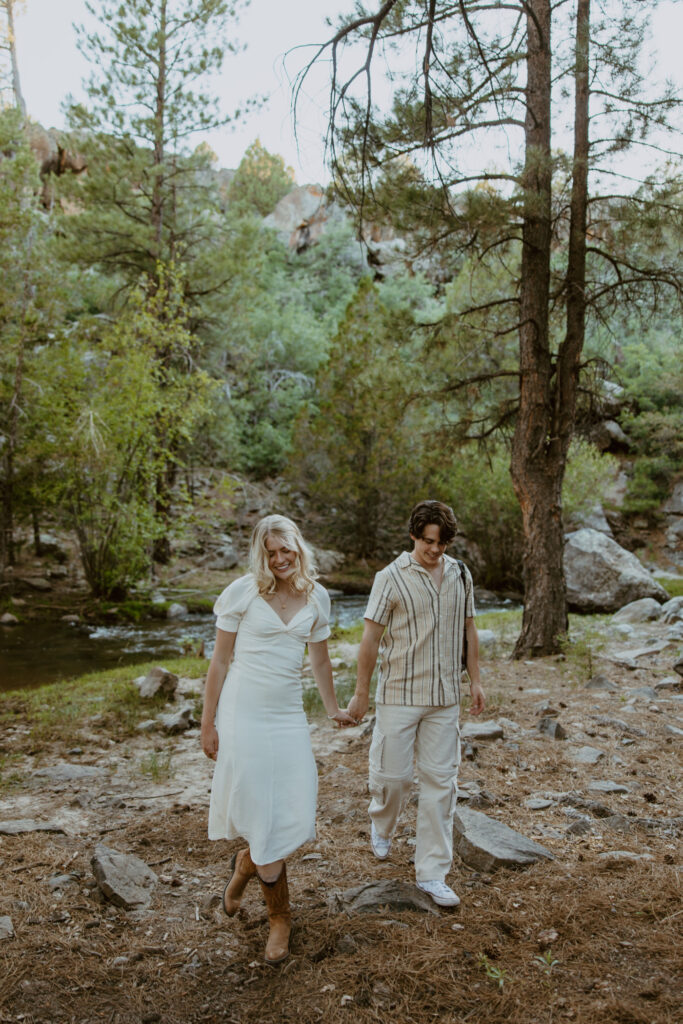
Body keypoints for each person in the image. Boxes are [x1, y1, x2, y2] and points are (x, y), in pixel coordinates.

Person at [200, 514, 355, 964]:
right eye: (271, 552)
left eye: (286, 549)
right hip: (243, 712)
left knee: (292, 805)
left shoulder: (317, 596)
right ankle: (280, 918)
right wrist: (207, 723)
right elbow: (219, 664)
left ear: (298, 547)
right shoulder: (242, 592)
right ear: (261, 554)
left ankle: (247, 864)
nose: (280, 559)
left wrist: (333, 710)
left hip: (287, 714)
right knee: (262, 812)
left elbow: (321, 663)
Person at [347, 500, 485, 907]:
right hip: (400, 696)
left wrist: (475, 680)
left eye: (442, 543)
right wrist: (360, 692)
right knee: (394, 779)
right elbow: (370, 640)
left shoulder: (461, 574)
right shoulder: (389, 578)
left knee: (441, 785)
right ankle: (382, 824)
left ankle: (432, 873)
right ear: (413, 535)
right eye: (428, 542)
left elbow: (469, 628)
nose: (435, 550)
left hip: (445, 698)